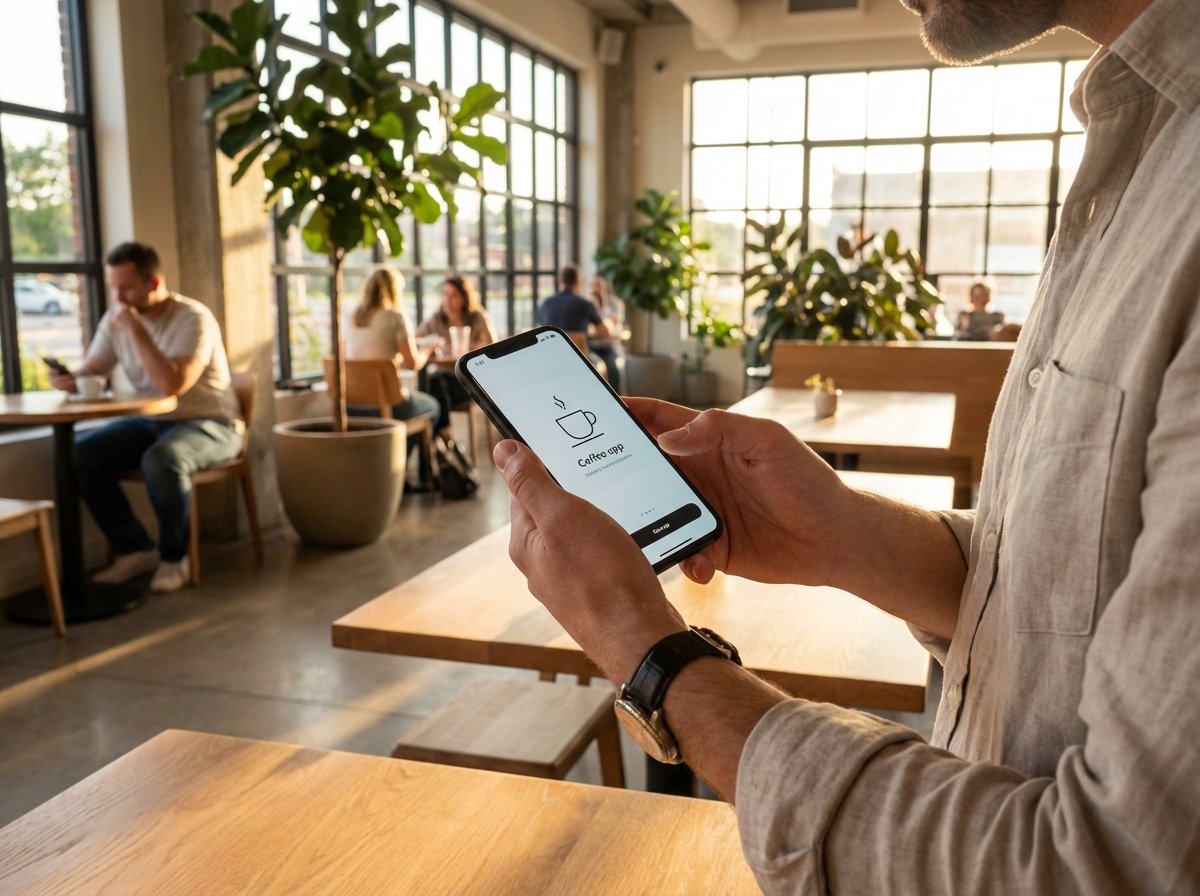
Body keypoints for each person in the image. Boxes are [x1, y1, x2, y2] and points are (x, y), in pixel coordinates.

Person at [493, 0, 1200, 891]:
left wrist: (652, 654)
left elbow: (1108, 868)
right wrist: (844, 530)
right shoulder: (1150, 141)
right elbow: (1084, 586)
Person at [48, 242, 243, 594]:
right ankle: (134, 549)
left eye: (126, 287)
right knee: (82, 453)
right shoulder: (116, 318)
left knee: (163, 459)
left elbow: (172, 385)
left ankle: (173, 558)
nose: (118, 296)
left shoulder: (192, 318)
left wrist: (135, 330)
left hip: (211, 422)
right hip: (153, 422)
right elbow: (95, 367)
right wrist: (71, 379)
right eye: (113, 287)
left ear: (153, 284)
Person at [344, 266, 441, 437]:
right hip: (388, 406)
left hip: (352, 405)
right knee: (432, 406)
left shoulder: (351, 316)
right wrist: (428, 348)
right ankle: (403, 456)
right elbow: (411, 364)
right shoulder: (394, 317)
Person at [415, 274, 496, 437]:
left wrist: (475, 348)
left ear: (465, 298)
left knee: (431, 390)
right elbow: (416, 340)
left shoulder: (477, 317)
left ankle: (437, 439)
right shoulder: (437, 318)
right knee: (435, 383)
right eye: (445, 295)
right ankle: (444, 436)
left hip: (469, 381)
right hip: (443, 378)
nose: (448, 300)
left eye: (453, 296)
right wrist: (431, 345)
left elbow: (491, 349)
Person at [535, 265, 618, 389]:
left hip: (550, 362)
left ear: (559, 281)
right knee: (607, 363)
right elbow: (604, 332)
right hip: (579, 361)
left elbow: (538, 331)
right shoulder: (584, 303)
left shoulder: (545, 303)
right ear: (578, 282)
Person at [586, 276, 624, 393]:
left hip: (608, 347)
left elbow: (611, 328)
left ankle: (617, 399)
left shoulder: (615, 304)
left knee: (614, 370)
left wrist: (600, 331)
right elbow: (590, 331)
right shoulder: (587, 305)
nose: (596, 290)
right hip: (591, 347)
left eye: (599, 287)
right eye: (593, 287)